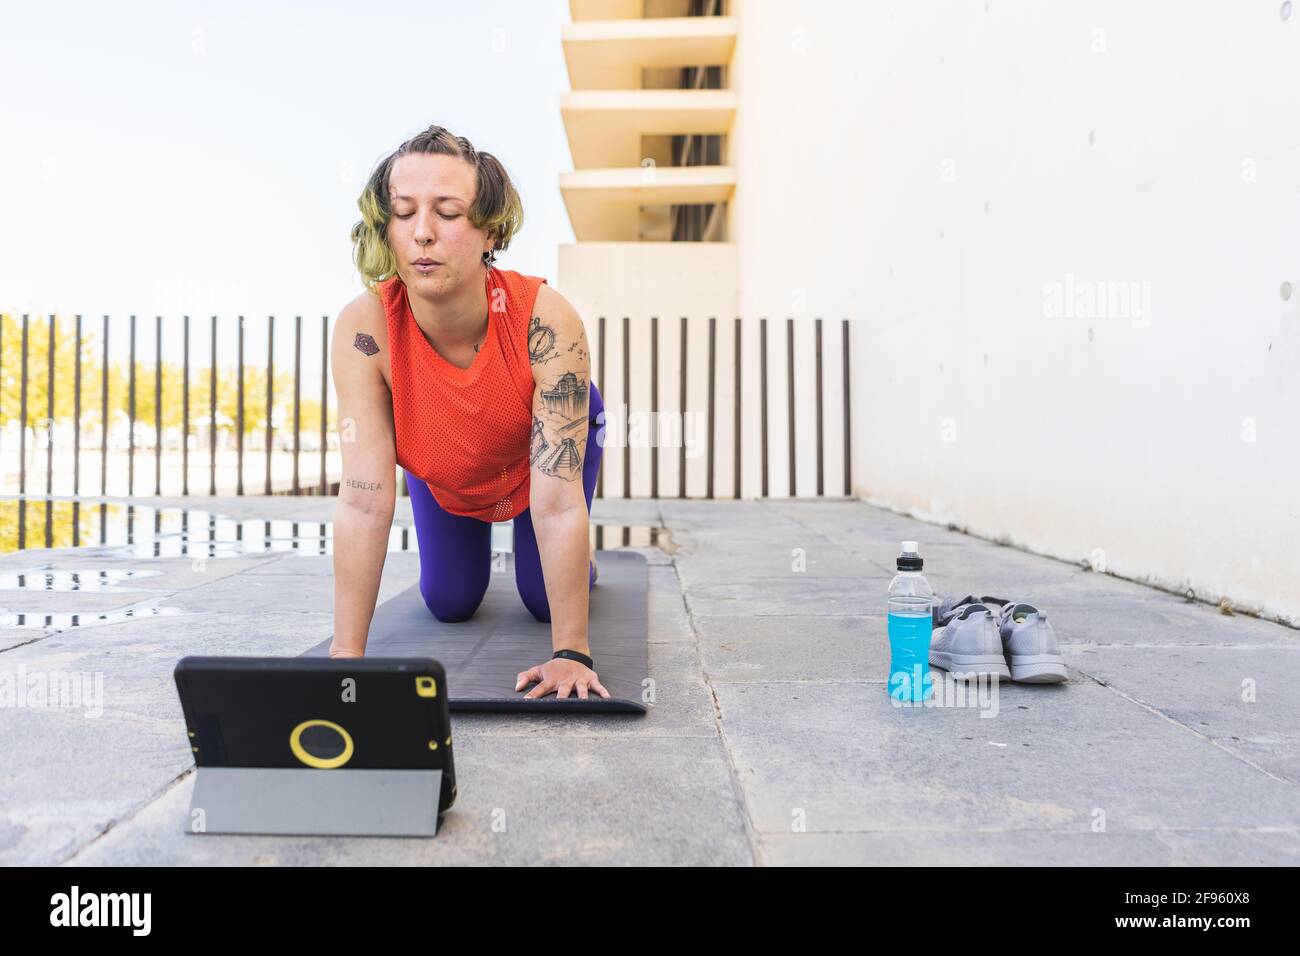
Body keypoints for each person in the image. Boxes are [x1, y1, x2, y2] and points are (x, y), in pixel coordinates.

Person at [327, 124, 609, 702]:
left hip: (536, 456)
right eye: (403, 212)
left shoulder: (545, 319)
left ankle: (586, 563)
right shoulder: (363, 329)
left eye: (448, 212)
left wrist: (571, 653)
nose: (422, 233)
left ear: (490, 230)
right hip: (441, 458)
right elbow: (362, 499)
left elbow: (554, 506)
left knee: (539, 598)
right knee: (450, 602)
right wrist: (343, 660)